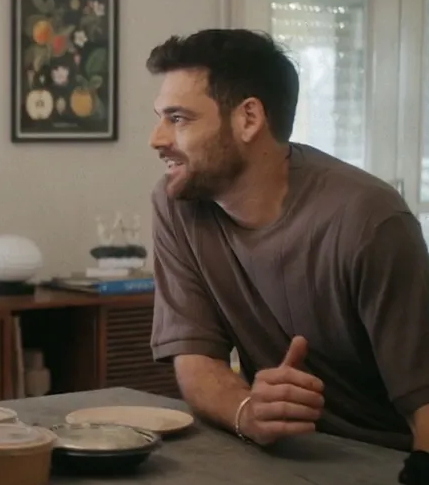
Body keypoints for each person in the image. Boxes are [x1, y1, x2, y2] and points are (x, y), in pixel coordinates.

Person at [145, 28, 429, 462]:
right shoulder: (178, 205)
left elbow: (424, 404)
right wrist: (247, 412)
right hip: (278, 459)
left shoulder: (368, 220)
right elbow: (196, 360)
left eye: (178, 119)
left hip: (383, 464)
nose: (157, 138)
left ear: (249, 119)